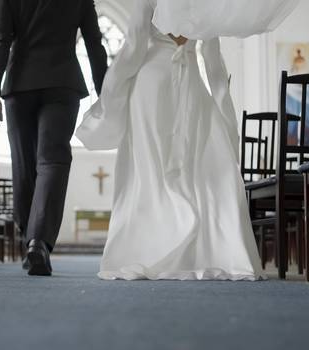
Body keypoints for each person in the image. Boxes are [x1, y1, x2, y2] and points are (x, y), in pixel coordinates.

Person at [76, 0, 297, 280]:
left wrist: (108, 102)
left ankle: (144, 248)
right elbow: (214, 63)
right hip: (191, 85)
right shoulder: (205, 4)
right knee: (202, 163)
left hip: (149, 86)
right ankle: (212, 251)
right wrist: (227, 119)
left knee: (148, 171)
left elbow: (132, 49)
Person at [0, 0, 108, 276]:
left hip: (20, 84)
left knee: (25, 165)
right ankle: (38, 241)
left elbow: (0, 37)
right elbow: (94, 44)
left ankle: (31, 237)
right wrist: (104, 93)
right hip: (62, 83)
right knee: (53, 161)